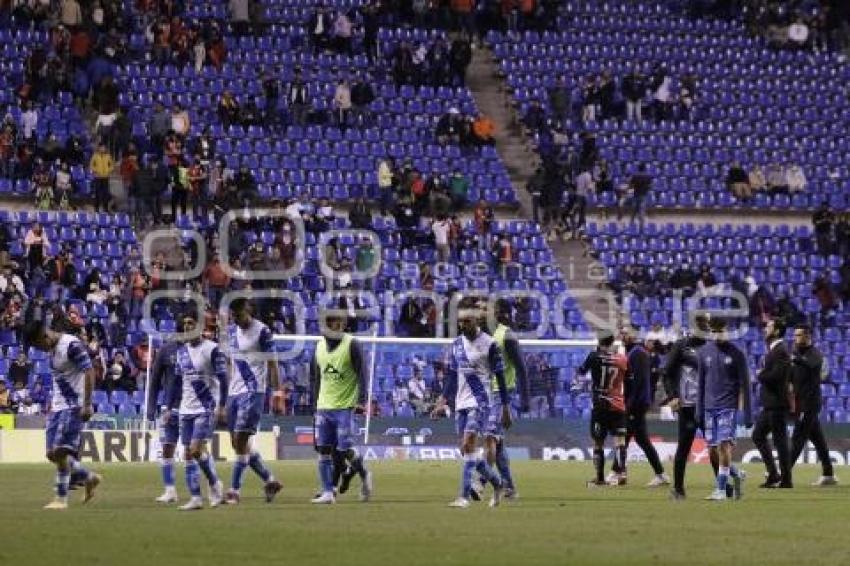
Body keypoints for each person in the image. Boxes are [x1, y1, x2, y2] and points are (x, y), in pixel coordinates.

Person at [431, 309, 510, 508]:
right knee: (467, 451)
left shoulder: (490, 344)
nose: (462, 325)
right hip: (461, 403)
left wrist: (506, 407)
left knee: (468, 444)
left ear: (477, 321)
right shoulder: (457, 344)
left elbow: (500, 376)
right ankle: (499, 484)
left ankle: (464, 497)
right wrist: (442, 401)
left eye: (467, 321)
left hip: (481, 402)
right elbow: (450, 376)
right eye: (460, 322)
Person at [23, 321, 101, 509]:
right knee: (52, 454)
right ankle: (89, 477)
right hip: (58, 407)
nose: (40, 350)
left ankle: (61, 499)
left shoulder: (71, 345)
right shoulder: (51, 350)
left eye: (39, 345)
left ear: (45, 336)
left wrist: (87, 404)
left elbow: (89, 371)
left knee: (60, 451)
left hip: (74, 406)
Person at [223, 298, 284, 504]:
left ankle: (234, 490)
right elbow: (231, 363)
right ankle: (270, 480)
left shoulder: (263, 331)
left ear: (248, 311)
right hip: (234, 393)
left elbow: (273, 363)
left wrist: (277, 393)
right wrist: (225, 396)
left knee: (241, 440)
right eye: (233, 317)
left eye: (238, 316)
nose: (236, 320)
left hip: (253, 391)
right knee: (237, 444)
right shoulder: (231, 333)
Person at [309, 312, 372, 504]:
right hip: (323, 407)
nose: (328, 327)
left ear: (343, 325)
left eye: (333, 323)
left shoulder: (352, 344)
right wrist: (315, 405)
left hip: (344, 406)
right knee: (323, 450)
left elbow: (363, 373)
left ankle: (364, 474)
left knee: (345, 449)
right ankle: (328, 492)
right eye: (325, 323)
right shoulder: (318, 347)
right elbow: (316, 378)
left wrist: (362, 400)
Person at [470, 303, 529, 501]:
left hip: (504, 393)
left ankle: (479, 482)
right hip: (485, 395)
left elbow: (521, 368)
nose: (479, 312)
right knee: (498, 442)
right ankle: (510, 488)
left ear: (494, 312)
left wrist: (525, 398)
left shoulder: (507, 335)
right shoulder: (478, 337)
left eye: (483, 308)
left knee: (489, 437)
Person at [172, 315, 227, 511]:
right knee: (188, 454)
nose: (187, 326)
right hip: (185, 409)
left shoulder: (212, 349)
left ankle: (214, 483)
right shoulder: (181, 353)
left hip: (206, 407)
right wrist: (170, 407)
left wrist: (222, 405)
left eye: (191, 324)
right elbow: (178, 382)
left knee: (196, 450)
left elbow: (223, 377)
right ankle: (196, 497)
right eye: (185, 323)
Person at [697, 319, 751, 501]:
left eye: (721, 331)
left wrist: (748, 413)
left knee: (723, 446)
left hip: (728, 407)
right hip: (708, 408)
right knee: (712, 451)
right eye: (714, 331)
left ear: (728, 331)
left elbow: (746, 385)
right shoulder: (704, 353)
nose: (718, 334)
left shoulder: (737, 354)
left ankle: (720, 490)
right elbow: (701, 384)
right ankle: (737, 475)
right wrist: (699, 409)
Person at [663, 314, 713, 499]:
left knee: (715, 446)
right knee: (683, 447)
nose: (704, 330)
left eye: (706, 326)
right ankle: (678, 489)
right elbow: (666, 373)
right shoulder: (681, 346)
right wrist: (672, 396)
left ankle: (721, 488)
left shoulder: (711, 348)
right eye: (701, 326)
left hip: (707, 406)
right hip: (687, 406)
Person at [616, 330, 669, 487]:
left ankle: (618, 473)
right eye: (621, 333)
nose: (622, 336)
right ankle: (660, 474)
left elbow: (638, 382)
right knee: (638, 439)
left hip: (636, 403)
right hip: (637, 402)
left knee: (625, 437)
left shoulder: (637, 353)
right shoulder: (634, 352)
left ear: (633, 335)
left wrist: (630, 404)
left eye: (626, 333)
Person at [577, 331, 628, 487]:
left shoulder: (593, 356)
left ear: (599, 341)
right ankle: (622, 473)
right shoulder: (621, 359)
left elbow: (581, 372)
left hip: (600, 406)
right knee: (619, 441)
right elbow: (627, 377)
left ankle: (600, 478)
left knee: (599, 442)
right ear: (612, 342)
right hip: (618, 405)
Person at [788, 324, 836, 486]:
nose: (796, 338)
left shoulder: (815, 354)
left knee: (798, 437)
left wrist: (795, 360)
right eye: (795, 335)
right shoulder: (795, 354)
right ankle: (828, 474)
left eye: (799, 335)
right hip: (800, 402)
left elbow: (811, 365)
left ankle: (784, 473)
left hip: (810, 403)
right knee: (818, 440)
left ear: (808, 336)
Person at [752, 318, 793, 489]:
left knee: (780, 442)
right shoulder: (775, 350)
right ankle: (775, 474)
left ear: (776, 331)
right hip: (771, 404)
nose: (764, 329)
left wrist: (760, 374)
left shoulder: (781, 351)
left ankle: (786, 480)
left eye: (768, 327)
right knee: (758, 436)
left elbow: (777, 376)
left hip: (777, 404)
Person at [147, 336, 183, 503]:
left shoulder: (199, 349)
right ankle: (170, 490)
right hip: (168, 408)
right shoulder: (165, 350)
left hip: (192, 406)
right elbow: (154, 381)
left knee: (196, 450)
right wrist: (151, 408)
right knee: (167, 448)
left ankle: (213, 484)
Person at [89, 144, 113, 212]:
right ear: (99, 148)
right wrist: (96, 170)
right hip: (98, 177)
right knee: (97, 193)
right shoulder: (95, 156)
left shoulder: (108, 156)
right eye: (101, 148)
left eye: (104, 148)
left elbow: (112, 165)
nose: (102, 149)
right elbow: (91, 165)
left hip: (105, 177)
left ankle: (106, 207)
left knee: (106, 193)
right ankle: (96, 208)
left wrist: (108, 170)